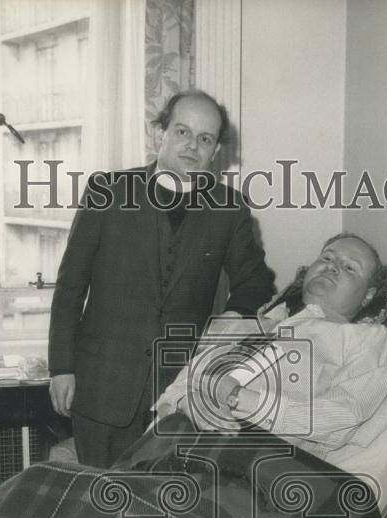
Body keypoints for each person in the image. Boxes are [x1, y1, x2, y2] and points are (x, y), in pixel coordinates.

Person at [48, 89, 274, 468]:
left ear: (216, 150)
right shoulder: (107, 191)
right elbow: (70, 286)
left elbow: (256, 282)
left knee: (164, 500)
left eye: (205, 138)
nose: (193, 146)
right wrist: (61, 367)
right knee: (99, 497)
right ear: (160, 134)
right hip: (101, 385)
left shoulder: (229, 208)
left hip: (178, 396)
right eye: (183, 132)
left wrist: (232, 318)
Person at [153, 233, 387, 461]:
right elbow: (180, 384)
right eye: (327, 257)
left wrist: (237, 397)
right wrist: (187, 403)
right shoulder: (256, 324)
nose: (332, 266)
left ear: (369, 295)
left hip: (250, 459)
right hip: (168, 441)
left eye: (349, 267)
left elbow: (343, 416)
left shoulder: (366, 338)